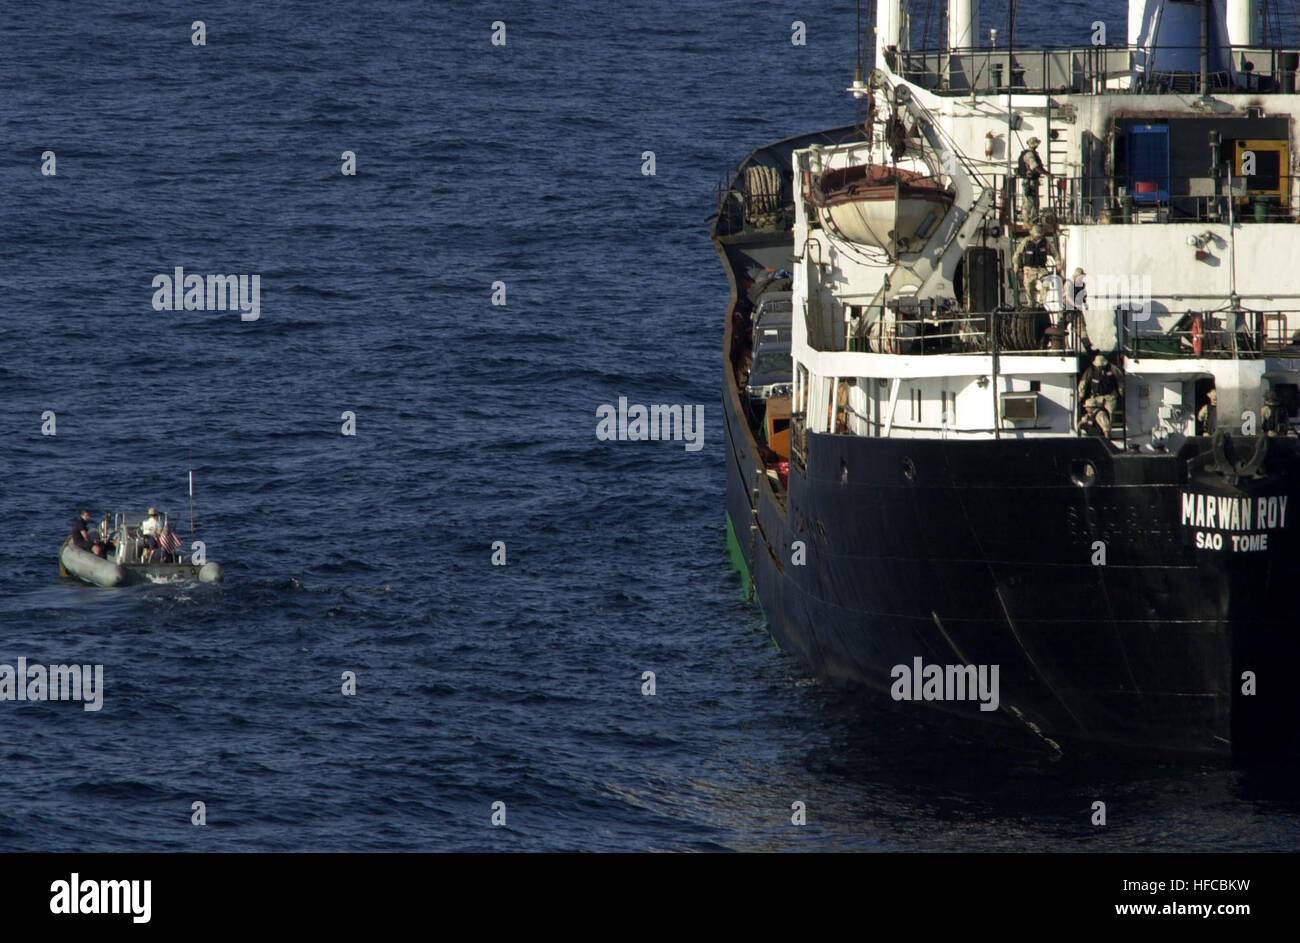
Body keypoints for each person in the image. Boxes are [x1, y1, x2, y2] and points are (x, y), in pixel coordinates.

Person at [1078, 353, 1123, 436]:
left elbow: (1120, 380)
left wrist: (1121, 390)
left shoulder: (1113, 369)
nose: (1099, 367)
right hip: (1096, 396)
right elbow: (1083, 382)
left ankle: (1108, 431)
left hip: (1110, 396)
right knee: (1092, 411)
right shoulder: (1090, 370)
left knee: (1110, 413)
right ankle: (1095, 429)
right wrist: (1081, 394)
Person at [1014, 224, 1055, 307]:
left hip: (1041, 268)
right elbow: (1018, 253)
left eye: (1039, 236)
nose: (1038, 237)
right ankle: (1031, 305)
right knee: (1028, 286)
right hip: (1029, 269)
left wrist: (1057, 262)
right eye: (1036, 235)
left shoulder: (1045, 242)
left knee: (1046, 282)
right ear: (1032, 234)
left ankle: (1041, 303)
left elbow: (1054, 252)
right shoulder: (1026, 242)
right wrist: (1016, 264)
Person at [1016, 137, 1049, 221]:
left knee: (1032, 202)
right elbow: (1034, 166)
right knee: (1030, 202)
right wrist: (1046, 174)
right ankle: (1029, 220)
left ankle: (1032, 219)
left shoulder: (1030, 153)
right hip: (1030, 182)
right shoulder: (1030, 154)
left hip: (1030, 181)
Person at [1062, 267, 1091, 349]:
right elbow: (1067, 296)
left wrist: (1084, 303)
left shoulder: (1081, 284)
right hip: (1066, 310)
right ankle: (1063, 348)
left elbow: (1082, 296)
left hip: (1076, 311)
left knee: (1082, 329)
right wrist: (1075, 305)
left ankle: (1089, 349)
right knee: (1061, 329)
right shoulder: (1069, 283)